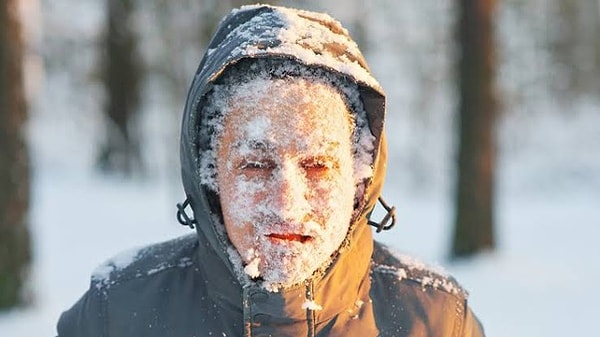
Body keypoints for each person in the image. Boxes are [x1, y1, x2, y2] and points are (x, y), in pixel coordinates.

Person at [57, 4, 485, 336]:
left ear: (359, 178)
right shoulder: (116, 315)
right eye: (256, 165)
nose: (287, 203)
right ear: (210, 176)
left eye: (318, 166)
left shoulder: (436, 320)